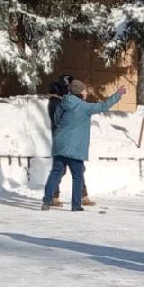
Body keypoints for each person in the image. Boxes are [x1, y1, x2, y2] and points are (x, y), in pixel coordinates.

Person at [41, 79, 124, 211]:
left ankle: (46, 201)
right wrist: (118, 94)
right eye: (84, 90)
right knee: (77, 175)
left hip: (60, 144)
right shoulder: (84, 107)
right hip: (75, 147)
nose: (86, 92)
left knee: (55, 172)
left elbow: (57, 120)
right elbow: (104, 106)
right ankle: (75, 205)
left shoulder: (62, 104)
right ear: (79, 92)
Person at [46, 75, 95, 208]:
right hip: (65, 141)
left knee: (75, 170)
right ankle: (54, 197)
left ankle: (81, 196)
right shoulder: (59, 103)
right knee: (63, 171)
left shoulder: (63, 102)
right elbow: (58, 121)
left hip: (66, 140)